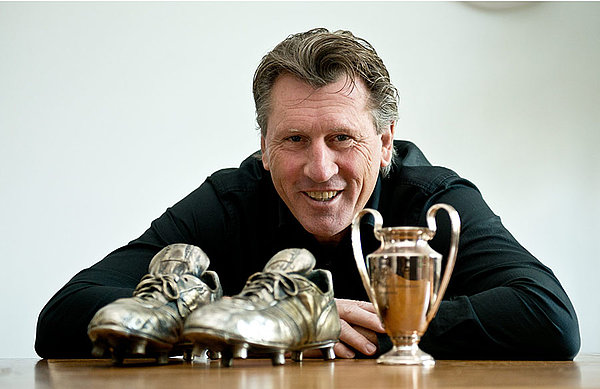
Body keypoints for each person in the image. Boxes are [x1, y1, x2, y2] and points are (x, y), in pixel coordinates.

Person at [35, 28, 580, 361]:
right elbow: (62, 316)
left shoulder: (433, 197)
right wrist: (264, 322)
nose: (320, 169)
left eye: (342, 138)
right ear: (264, 147)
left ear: (385, 142)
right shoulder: (232, 200)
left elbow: (550, 318)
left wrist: (375, 327)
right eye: (294, 140)